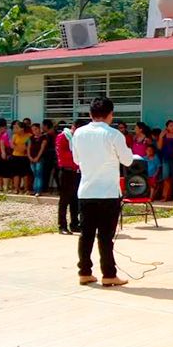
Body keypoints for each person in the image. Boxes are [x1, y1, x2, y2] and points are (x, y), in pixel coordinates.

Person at [72, 96, 133, 287]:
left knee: (86, 234)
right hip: (107, 193)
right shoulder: (114, 134)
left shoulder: (79, 133)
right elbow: (128, 160)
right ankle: (109, 274)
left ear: (90, 114)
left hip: (86, 191)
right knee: (105, 236)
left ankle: (84, 272)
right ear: (110, 114)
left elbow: (76, 160)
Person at [56, 119, 87, 235]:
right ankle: (62, 225)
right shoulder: (63, 137)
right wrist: (78, 153)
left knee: (75, 200)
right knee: (64, 200)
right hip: (66, 171)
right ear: (74, 128)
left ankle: (74, 223)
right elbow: (62, 155)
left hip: (77, 171)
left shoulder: (79, 139)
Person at [10, 122, 32, 194]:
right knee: (16, 174)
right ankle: (16, 188)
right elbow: (12, 145)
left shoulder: (29, 136)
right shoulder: (14, 136)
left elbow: (28, 147)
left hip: (24, 157)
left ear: (22, 129)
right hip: (15, 156)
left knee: (25, 174)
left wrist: (21, 148)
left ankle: (26, 189)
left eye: (17, 128)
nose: (15, 129)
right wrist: (20, 148)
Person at [27, 123, 48, 197]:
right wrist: (30, 157)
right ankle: (34, 189)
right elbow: (28, 148)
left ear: (39, 129)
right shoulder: (31, 138)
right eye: (33, 130)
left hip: (40, 158)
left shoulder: (44, 138)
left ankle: (38, 190)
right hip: (32, 158)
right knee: (35, 174)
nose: (34, 131)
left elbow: (42, 149)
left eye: (36, 129)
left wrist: (37, 157)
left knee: (39, 175)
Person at [41, 119, 58, 192]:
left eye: (43, 126)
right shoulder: (55, 133)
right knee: (55, 174)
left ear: (46, 126)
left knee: (46, 173)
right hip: (55, 155)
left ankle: (45, 189)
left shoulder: (47, 135)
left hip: (49, 155)